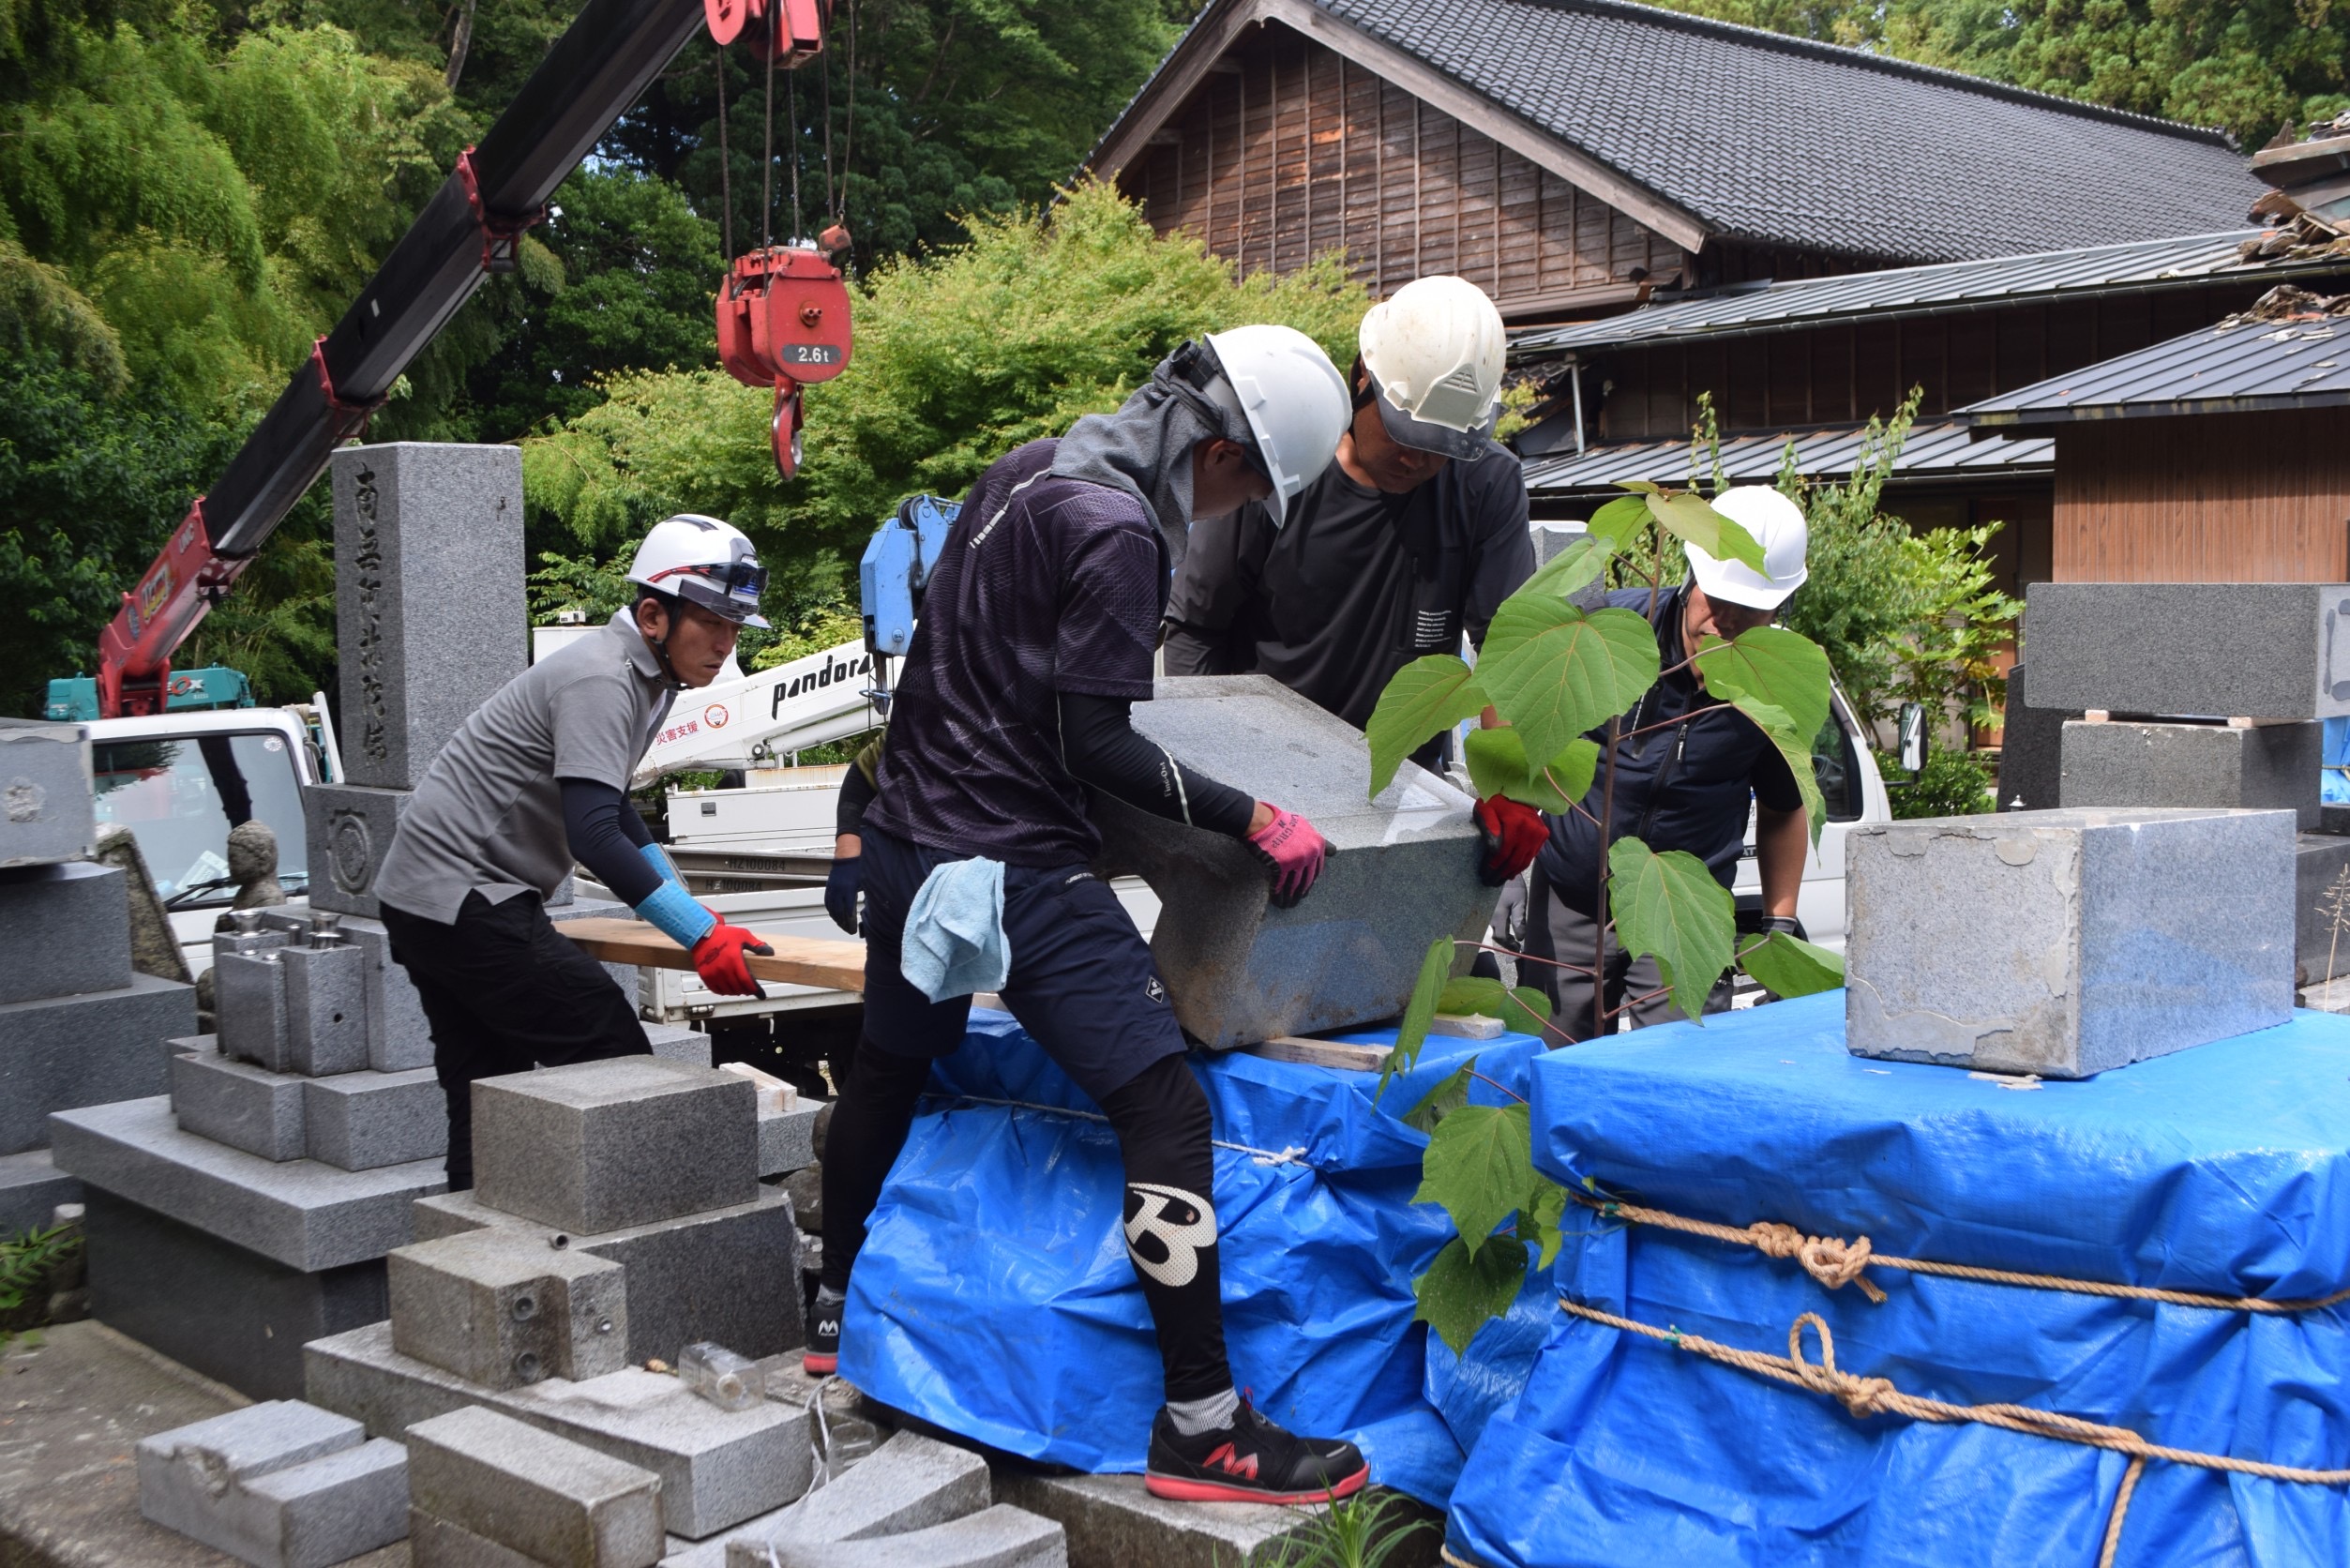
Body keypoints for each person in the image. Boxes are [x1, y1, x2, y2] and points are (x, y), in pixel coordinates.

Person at [813, 325, 1373, 1506]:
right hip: (1018, 870)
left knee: (887, 1068)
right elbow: (1096, 742)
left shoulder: (1026, 469)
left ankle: (834, 1311)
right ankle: (1204, 1426)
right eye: (1247, 497)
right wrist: (1251, 817)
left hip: (920, 849)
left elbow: (935, 668)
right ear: (1218, 456)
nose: (1232, 516)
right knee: (1160, 1105)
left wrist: (869, 818)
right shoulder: (1119, 531)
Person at [374, 516, 776, 1189]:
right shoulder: (603, 679)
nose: (725, 644)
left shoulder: (636, 676)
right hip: (467, 898)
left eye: (736, 628)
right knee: (609, 1053)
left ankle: (478, 1258)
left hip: (429, 898)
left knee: (484, 1091)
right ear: (654, 614)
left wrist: (690, 913)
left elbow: (612, 807)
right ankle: (635, 1240)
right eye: (712, 623)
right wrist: (700, 934)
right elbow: (592, 833)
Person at [1161, 275, 1545, 888]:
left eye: (1444, 446)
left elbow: (1510, 647)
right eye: (1407, 434)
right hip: (1267, 795)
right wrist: (1220, 796)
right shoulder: (1281, 465)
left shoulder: (1485, 484)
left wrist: (1514, 786)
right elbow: (1197, 632)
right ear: (1363, 376)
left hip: (1402, 793)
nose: (1419, 461)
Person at [1522, 486, 1814, 1039]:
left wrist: (1780, 921)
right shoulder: (1611, 632)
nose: (1725, 619)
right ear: (1689, 575)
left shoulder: (1778, 683)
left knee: (1682, 1071)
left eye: (1749, 608)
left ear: (1779, 606)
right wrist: (1512, 864)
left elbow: (1785, 805)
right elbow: (1537, 737)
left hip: (1684, 912)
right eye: (1716, 597)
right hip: (1573, 899)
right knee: (1554, 1066)